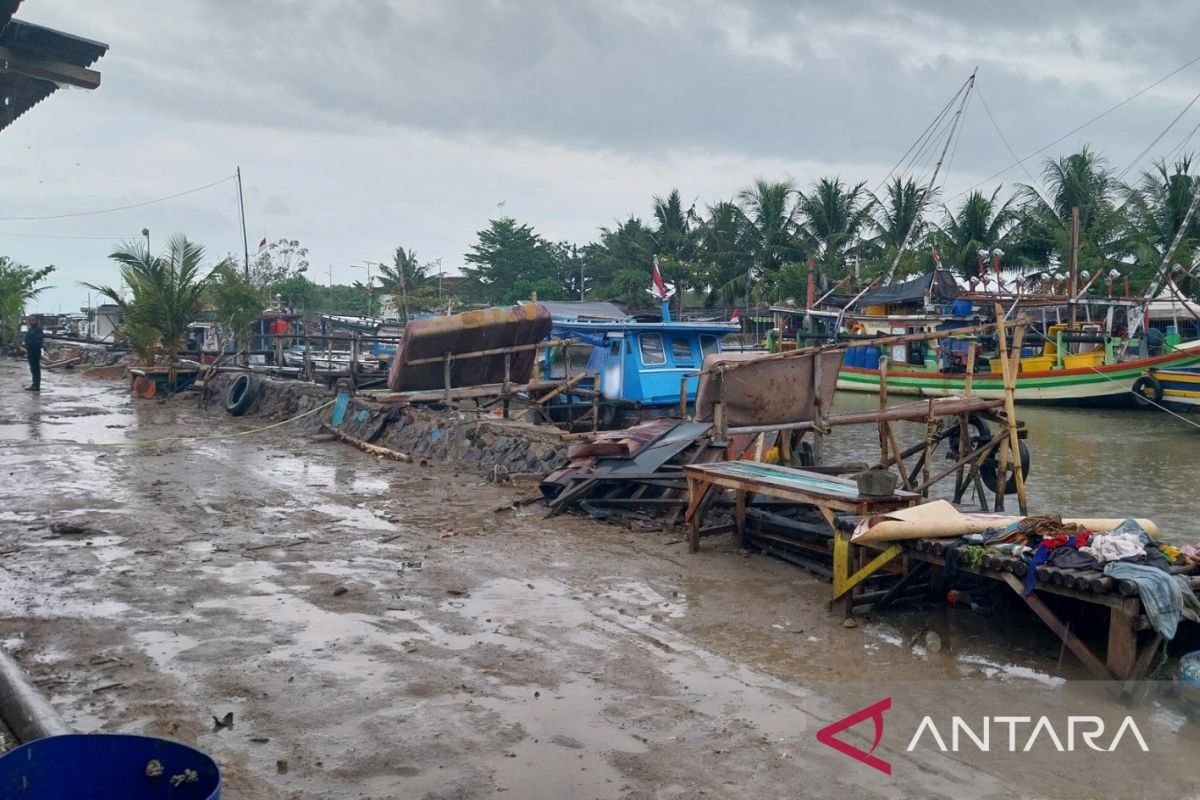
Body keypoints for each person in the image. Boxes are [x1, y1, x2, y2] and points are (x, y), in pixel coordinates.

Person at [24, 316, 43, 391]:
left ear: (36, 321)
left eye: (32, 320)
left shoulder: (38, 330)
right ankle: (34, 384)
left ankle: (36, 385)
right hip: (30, 351)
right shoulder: (30, 330)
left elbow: (38, 342)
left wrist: (28, 344)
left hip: (35, 351)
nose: (30, 322)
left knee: (35, 368)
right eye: (29, 320)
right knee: (32, 368)